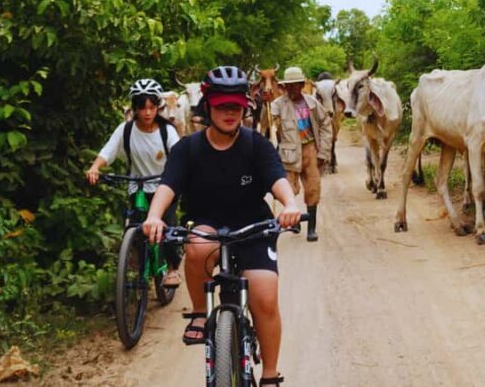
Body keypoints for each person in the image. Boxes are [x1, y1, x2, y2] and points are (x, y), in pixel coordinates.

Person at [142, 66, 300, 386]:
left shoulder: (256, 145)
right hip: (207, 223)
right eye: (221, 106)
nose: (229, 113)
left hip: (253, 227)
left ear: (245, 107)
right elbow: (168, 185)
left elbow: (277, 179)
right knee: (198, 246)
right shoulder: (188, 149)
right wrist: (154, 215)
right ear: (207, 107)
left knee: (265, 297)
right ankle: (200, 312)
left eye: (235, 106)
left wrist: (291, 205)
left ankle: (270, 374)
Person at [86, 78, 182, 287]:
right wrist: (95, 168)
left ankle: (173, 268)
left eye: (151, 107)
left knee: (167, 229)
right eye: (142, 107)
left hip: (164, 187)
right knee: (137, 227)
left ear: (158, 107)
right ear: (135, 108)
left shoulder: (168, 132)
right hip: (136, 186)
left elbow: (179, 157)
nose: (147, 112)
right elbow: (108, 151)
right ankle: (138, 261)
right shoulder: (126, 130)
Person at [271, 66, 333, 242]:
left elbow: (326, 124)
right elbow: (269, 122)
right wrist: (266, 104)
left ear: (301, 85)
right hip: (289, 152)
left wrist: (324, 151)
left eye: (295, 85)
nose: (292, 89)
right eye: (288, 86)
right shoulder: (277, 105)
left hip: (310, 150)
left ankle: (311, 228)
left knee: (313, 188)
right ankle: (295, 219)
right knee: (288, 189)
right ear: (284, 87)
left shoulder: (312, 104)